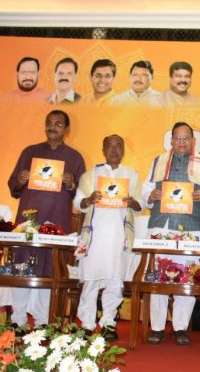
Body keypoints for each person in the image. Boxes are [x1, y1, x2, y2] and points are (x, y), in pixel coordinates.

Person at [4, 109, 86, 327]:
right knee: (22, 265)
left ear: (67, 130)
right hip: (28, 220)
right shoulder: (30, 152)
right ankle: (18, 319)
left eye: (58, 124)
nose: (53, 127)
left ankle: (42, 322)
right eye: (49, 123)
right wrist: (21, 180)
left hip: (56, 220)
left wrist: (71, 184)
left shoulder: (75, 158)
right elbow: (14, 186)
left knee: (49, 268)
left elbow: (82, 196)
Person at [142, 122, 200, 345]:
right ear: (171, 141)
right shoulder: (158, 161)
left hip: (190, 226)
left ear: (193, 142)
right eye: (178, 138)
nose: (182, 142)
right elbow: (145, 189)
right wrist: (151, 194)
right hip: (162, 225)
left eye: (186, 138)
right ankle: (156, 327)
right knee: (158, 279)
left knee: (187, 277)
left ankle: (181, 327)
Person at [74, 134, 142, 340]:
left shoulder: (132, 175)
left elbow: (141, 206)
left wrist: (132, 203)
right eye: (109, 146)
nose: (114, 150)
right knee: (91, 280)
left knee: (115, 281)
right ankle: (86, 323)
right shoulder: (90, 175)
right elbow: (78, 204)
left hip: (120, 237)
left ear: (123, 150)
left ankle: (109, 322)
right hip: (95, 236)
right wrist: (88, 199)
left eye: (118, 146)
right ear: (103, 150)